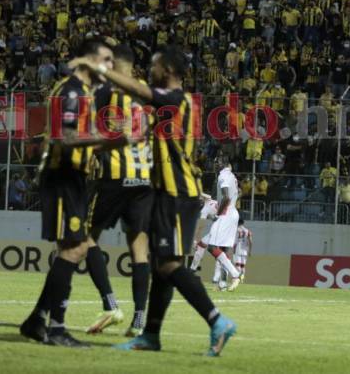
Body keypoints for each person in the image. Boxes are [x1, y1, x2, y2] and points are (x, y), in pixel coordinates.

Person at [70, 46, 236, 356]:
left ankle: (217, 320)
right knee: (161, 266)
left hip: (177, 193)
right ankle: (151, 336)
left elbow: (139, 90)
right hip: (168, 192)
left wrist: (101, 70)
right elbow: (138, 130)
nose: (151, 69)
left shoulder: (176, 99)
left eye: (156, 65)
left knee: (171, 264)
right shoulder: (169, 107)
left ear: (169, 71)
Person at [19, 39, 122, 348]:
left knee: (72, 249)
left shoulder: (85, 93)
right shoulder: (72, 91)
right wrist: (109, 137)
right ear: (88, 60)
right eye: (105, 59)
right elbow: (65, 138)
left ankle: (37, 320)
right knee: (74, 250)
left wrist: (112, 142)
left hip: (74, 177)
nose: (110, 66)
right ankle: (57, 327)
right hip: (62, 176)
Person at [84, 44, 155, 337]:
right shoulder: (144, 93)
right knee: (139, 249)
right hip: (144, 180)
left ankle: (110, 304)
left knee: (84, 238)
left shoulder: (105, 94)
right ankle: (139, 321)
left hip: (116, 176)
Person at [190, 159, 242, 292]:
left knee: (212, 247)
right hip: (232, 212)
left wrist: (219, 213)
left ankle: (235, 275)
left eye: (216, 163)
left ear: (221, 165)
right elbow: (237, 192)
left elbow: (225, 197)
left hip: (226, 213)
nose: (214, 166)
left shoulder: (222, 176)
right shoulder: (232, 176)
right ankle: (223, 282)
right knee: (216, 248)